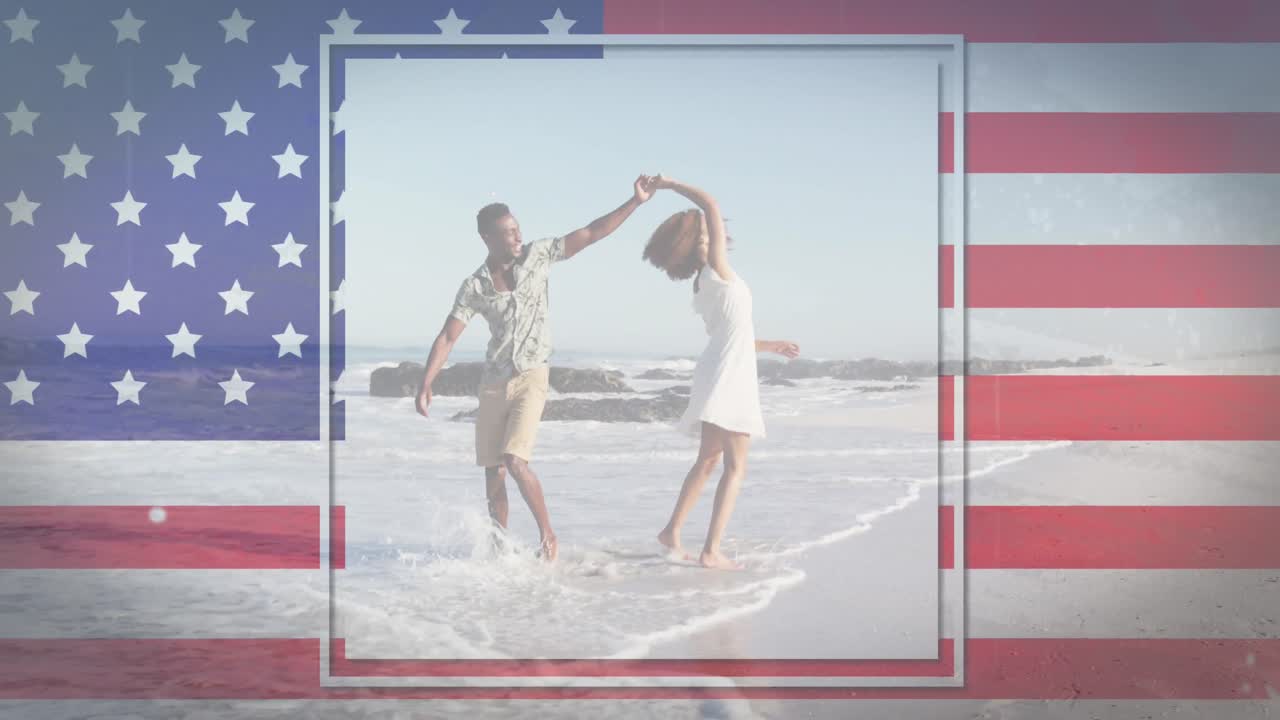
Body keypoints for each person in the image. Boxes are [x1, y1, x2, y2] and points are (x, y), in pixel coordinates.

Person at [416, 175, 658, 561]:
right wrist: (426, 382)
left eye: (518, 230)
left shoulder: (539, 255)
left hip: (533, 375)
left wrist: (635, 202)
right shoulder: (475, 286)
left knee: (515, 461)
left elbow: (593, 232)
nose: (517, 238)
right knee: (493, 472)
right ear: (488, 240)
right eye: (508, 233)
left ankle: (548, 537)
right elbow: (448, 336)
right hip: (494, 383)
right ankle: (499, 547)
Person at [641, 175, 800, 570]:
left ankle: (672, 531)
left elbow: (731, 334)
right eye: (708, 229)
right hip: (729, 374)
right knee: (734, 465)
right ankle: (711, 550)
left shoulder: (704, 283)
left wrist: (770, 345)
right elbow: (710, 203)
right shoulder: (717, 269)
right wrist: (668, 183)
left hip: (721, 366)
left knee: (709, 459)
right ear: (698, 241)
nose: (719, 229)